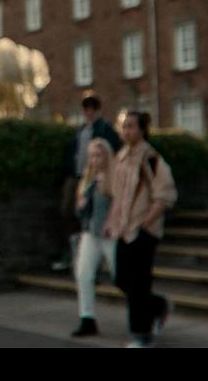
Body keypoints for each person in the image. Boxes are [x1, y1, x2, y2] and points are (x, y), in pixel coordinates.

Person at [104, 111, 177, 348]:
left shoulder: (151, 158)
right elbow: (117, 196)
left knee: (138, 284)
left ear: (142, 129)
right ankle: (157, 305)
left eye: (131, 126)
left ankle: (141, 335)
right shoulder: (121, 156)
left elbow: (165, 195)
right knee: (121, 279)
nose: (127, 131)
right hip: (123, 230)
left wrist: (146, 222)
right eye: (124, 126)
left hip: (144, 231)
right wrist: (110, 221)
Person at [55, 93, 123, 271]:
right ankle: (73, 251)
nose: (88, 113)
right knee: (69, 210)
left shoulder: (105, 129)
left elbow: (113, 151)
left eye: (92, 109)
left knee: (93, 212)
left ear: (97, 111)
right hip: (77, 176)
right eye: (86, 110)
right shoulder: (80, 130)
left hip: (96, 176)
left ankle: (96, 258)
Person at [71, 137, 117, 337]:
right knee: (83, 274)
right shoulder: (87, 180)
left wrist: (111, 222)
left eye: (98, 155)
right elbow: (80, 212)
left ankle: (151, 307)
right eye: (91, 156)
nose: (94, 160)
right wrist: (81, 204)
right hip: (90, 233)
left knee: (121, 277)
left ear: (107, 156)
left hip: (109, 234)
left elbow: (119, 204)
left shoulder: (113, 178)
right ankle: (87, 318)